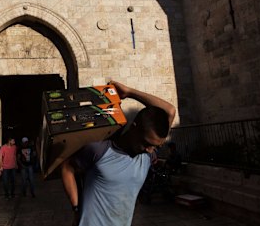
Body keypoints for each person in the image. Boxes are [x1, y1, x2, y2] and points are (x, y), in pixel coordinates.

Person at [61, 81, 176, 226]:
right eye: (147, 143)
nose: (150, 149)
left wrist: (129, 92)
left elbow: (170, 111)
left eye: (154, 146)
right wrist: (76, 208)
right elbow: (67, 168)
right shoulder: (100, 150)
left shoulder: (147, 154)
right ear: (134, 128)